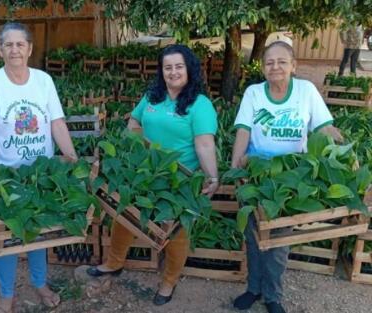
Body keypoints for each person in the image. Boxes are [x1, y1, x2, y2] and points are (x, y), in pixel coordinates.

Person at [86, 44, 220, 306]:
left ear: (189, 69)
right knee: (123, 215)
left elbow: (204, 144)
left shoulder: (199, 104)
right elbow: (133, 123)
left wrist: (212, 177)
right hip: (144, 172)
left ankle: (169, 281)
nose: (173, 72)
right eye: (167, 67)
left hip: (178, 178)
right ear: (161, 71)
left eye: (179, 66)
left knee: (175, 232)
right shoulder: (152, 96)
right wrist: (135, 144)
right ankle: (114, 263)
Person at [0, 22, 78, 313]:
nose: (15, 49)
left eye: (20, 44)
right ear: (0, 50)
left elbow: (56, 122)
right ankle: (7, 293)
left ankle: (39, 282)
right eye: (9, 44)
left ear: (30, 49)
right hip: (6, 176)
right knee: (7, 236)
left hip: (39, 173)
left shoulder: (43, 81)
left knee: (39, 233)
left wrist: (71, 157)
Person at [231, 41, 342, 313]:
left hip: (291, 178)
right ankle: (253, 288)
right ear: (263, 68)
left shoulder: (305, 91)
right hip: (257, 176)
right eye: (269, 62)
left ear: (294, 66)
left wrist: (346, 155)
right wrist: (236, 168)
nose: (275, 67)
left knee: (279, 242)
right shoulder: (254, 93)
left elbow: (325, 128)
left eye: (282, 62)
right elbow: (243, 131)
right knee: (254, 235)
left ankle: (272, 296)